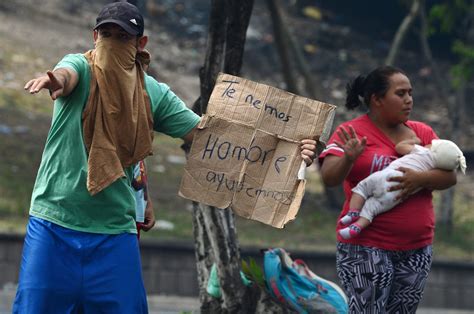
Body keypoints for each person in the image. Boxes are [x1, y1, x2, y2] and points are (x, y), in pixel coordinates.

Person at [14, 2, 319, 312]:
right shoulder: (80, 66)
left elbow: (205, 135)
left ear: (140, 43)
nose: (112, 43)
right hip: (54, 223)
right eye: (106, 34)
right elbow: (66, 76)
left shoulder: (152, 94)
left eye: (122, 37)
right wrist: (54, 80)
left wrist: (288, 153)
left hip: (113, 234)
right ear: (95, 37)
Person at [319, 65, 458, 313]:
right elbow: (329, 177)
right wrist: (349, 158)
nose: (409, 100)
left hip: (417, 247)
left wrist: (420, 179)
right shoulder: (351, 132)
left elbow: (449, 177)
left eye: (410, 93)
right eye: (400, 93)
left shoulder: (422, 133)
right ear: (377, 99)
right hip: (365, 245)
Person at [338, 137, 466, 239]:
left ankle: (353, 213)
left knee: (361, 188)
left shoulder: (422, 151)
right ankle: (356, 227)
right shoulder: (434, 170)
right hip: (397, 194)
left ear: (434, 149)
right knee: (372, 209)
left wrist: (413, 141)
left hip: (389, 176)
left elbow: (400, 147)